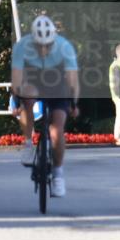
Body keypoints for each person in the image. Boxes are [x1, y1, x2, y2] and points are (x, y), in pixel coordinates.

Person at [11, 15, 80, 198]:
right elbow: (17, 77)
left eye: (47, 45)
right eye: (39, 45)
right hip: (34, 81)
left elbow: (72, 80)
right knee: (27, 97)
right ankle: (28, 143)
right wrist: (16, 101)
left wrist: (74, 103)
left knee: (57, 131)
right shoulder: (22, 46)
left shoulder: (65, 47)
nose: (43, 49)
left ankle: (58, 174)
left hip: (58, 85)